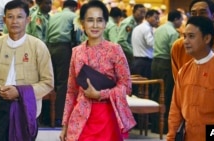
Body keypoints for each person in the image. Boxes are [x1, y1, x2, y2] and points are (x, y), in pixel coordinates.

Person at [0, 1, 54, 141]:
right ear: (4, 20)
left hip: (27, 110)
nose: (14, 21)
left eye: (19, 17)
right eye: (10, 17)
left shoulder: (38, 47)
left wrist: (19, 92)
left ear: (28, 19)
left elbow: (48, 82)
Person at [59, 1, 136, 140]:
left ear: (105, 23)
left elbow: (126, 86)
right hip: (80, 117)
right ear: (83, 23)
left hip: (107, 116)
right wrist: (65, 125)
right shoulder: (76, 52)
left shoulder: (115, 50)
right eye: (90, 20)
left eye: (99, 20)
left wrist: (100, 94)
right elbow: (71, 91)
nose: (95, 25)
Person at [167, 16, 214, 141]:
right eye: (185, 36)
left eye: (191, 36)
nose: (185, 41)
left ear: (207, 38)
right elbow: (175, 110)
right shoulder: (184, 70)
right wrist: (171, 137)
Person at [171, 0, 214, 81]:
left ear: (213, 16)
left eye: (202, 13)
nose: (197, 17)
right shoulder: (179, 46)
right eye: (193, 14)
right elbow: (178, 82)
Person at [45, 0, 80, 127]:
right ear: (74, 8)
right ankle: (59, 117)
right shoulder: (74, 16)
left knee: (51, 82)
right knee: (63, 83)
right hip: (64, 49)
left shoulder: (53, 16)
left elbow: (46, 34)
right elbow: (77, 35)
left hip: (50, 48)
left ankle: (48, 116)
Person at [150, 9, 183, 134]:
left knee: (155, 93)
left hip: (155, 62)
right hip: (165, 64)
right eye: (180, 19)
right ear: (175, 19)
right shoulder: (173, 32)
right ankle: (163, 127)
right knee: (166, 94)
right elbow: (173, 51)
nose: (181, 22)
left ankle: (154, 125)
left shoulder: (159, 29)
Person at [116, 3, 146, 71]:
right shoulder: (129, 23)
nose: (143, 15)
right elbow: (121, 41)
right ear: (134, 12)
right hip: (128, 55)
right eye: (141, 12)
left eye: (144, 13)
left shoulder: (138, 23)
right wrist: (133, 52)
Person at [131, 9, 160, 79]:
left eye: (158, 19)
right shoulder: (147, 28)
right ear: (148, 17)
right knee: (146, 86)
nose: (157, 21)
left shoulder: (138, 27)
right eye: (155, 18)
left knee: (138, 87)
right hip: (145, 62)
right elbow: (151, 43)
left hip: (136, 60)